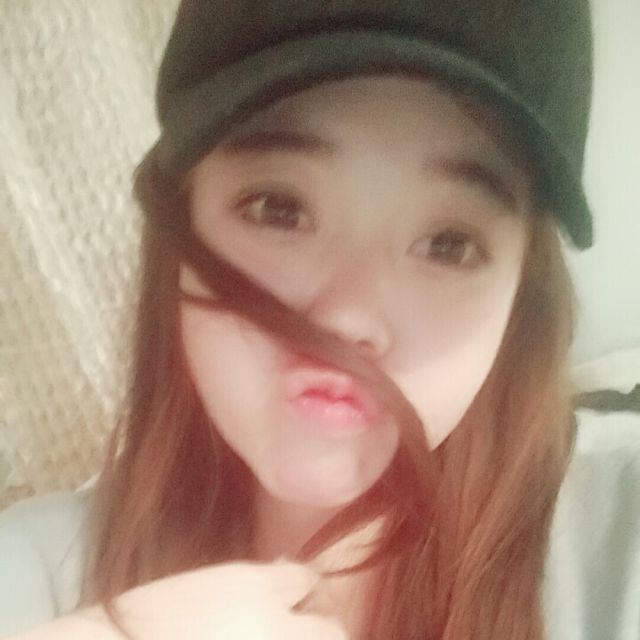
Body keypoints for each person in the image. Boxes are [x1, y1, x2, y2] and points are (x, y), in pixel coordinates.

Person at [1, 1, 639, 639]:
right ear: (182, 224)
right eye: (278, 209)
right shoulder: (40, 571)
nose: (348, 318)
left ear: (521, 291)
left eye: (449, 244)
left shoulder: (616, 533)